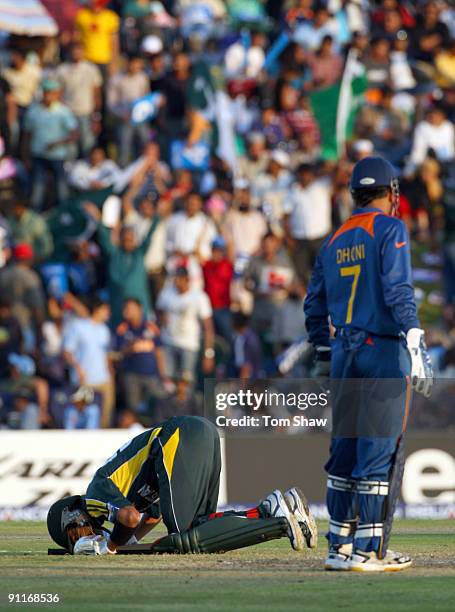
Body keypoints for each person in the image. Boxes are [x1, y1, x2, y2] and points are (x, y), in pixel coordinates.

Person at [304, 156, 434, 572]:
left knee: (343, 452)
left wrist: (325, 353)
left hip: (344, 351)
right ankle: (369, 550)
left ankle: (338, 546)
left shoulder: (333, 239)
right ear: (391, 192)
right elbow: (398, 290)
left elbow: (313, 306)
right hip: (382, 349)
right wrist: (415, 336)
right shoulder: (391, 228)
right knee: (378, 451)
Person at [47, 415, 317, 555]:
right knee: (201, 525)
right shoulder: (115, 494)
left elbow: (129, 517)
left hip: (178, 437)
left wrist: (110, 547)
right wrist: (128, 542)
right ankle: (269, 509)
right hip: (200, 431)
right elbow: (152, 516)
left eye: (74, 535)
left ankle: (275, 521)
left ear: (71, 517)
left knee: (185, 535)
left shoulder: (94, 494)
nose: (82, 537)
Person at [23, 79, 78, 209]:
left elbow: (75, 133)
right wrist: (25, 155)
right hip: (38, 155)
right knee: (37, 187)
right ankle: (36, 214)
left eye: (53, 93)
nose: (49, 96)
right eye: (47, 92)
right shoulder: (34, 111)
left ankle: (64, 213)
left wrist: (58, 143)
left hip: (57, 156)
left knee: (61, 187)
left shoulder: (63, 111)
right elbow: (27, 135)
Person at [156, 266, 215, 385]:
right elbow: (158, 310)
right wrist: (162, 319)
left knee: (186, 383)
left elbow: (208, 327)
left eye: (180, 279)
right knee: (168, 382)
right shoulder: (167, 292)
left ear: (187, 280)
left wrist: (208, 353)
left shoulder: (199, 297)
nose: (176, 282)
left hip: (189, 345)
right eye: (175, 279)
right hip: (168, 342)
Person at [62, 296, 113, 428]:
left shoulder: (104, 330)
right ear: (97, 310)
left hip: (104, 379)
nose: (108, 313)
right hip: (84, 380)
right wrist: (77, 368)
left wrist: (110, 373)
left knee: (105, 415)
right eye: (105, 310)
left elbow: (105, 354)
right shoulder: (78, 326)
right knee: (84, 416)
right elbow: (67, 351)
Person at [114, 298, 168, 412]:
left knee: (158, 403)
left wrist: (163, 375)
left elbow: (159, 352)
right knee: (133, 408)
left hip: (152, 374)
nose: (127, 311)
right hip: (131, 375)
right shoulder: (122, 329)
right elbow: (118, 353)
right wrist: (130, 348)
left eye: (130, 308)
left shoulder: (151, 327)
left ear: (140, 309)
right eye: (125, 308)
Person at [56, 42, 103, 156]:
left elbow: (96, 93)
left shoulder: (91, 69)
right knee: (70, 147)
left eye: (79, 50)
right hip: (68, 113)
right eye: (74, 51)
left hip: (86, 112)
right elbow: (58, 93)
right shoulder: (62, 70)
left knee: (88, 144)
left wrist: (96, 116)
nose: (77, 54)